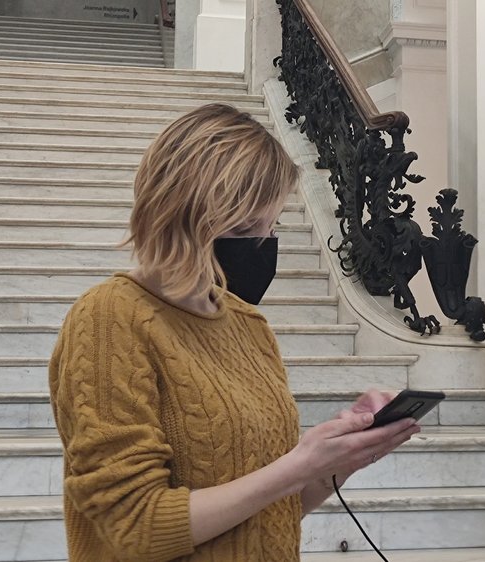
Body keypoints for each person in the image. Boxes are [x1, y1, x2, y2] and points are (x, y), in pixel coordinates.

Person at [48, 103, 420, 561]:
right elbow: (137, 529)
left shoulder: (248, 326)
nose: (262, 243)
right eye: (245, 226)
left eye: (272, 225)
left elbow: (271, 511)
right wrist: (298, 464)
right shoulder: (111, 318)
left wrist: (337, 463)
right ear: (176, 215)